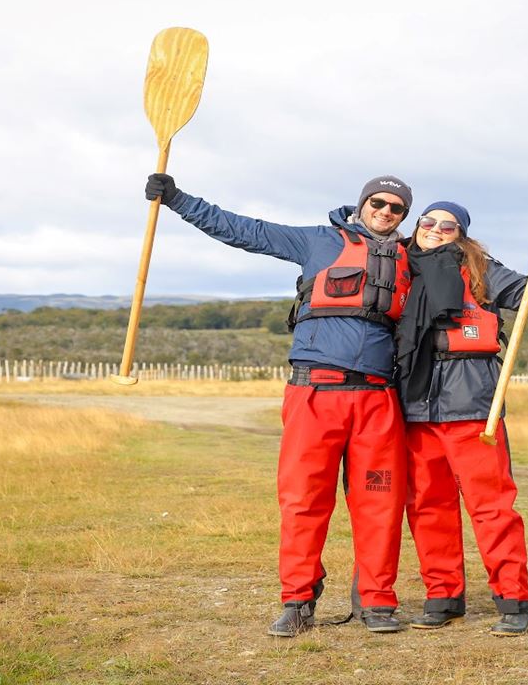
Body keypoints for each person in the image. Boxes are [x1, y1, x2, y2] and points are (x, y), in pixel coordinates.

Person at [143, 172, 414, 636]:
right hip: (314, 393)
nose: (386, 212)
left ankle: (377, 601)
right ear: (363, 202)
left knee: (381, 502)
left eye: (396, 208)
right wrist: (177, 199)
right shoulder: (317, 242)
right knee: (303, 501)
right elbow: (242, 230)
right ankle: (298, 600)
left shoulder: (417, 258)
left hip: (377, 398)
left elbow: (475, 279)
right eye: (379, 202)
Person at [394, 201, 528, 636]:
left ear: (461, 233)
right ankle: (444, 597)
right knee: (427, 507)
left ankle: (512, 601)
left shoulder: (480, 270)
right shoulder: (397, 266)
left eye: (447, 225)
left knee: (491, 508)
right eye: (428, 222)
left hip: (473, 405)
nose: (435, 229)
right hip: (414, 406)